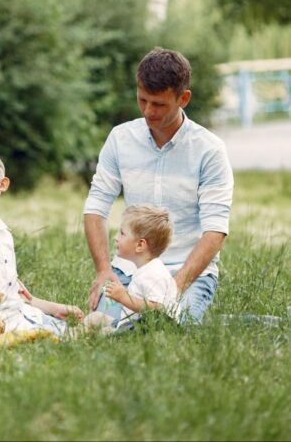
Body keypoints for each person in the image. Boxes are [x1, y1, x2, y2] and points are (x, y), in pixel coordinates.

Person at [83, 48, 234, 324]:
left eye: (159, 104)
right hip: (129, 269)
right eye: (143, 100)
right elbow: (95, 208)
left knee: (171, 326)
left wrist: (173, 287)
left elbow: (215, 230)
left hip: (185, 272)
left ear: (183, 98)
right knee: (105, 327)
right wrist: (104, 270)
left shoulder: (209, 150)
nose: (148, 111)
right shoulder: (120, 139)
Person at [0, 151, 84, 339]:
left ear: (3, 184)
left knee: (97, 324)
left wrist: (56, 308)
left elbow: (19, 296)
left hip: (22, 314)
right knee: (85, 331)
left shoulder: (3, 234)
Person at [84, 204, 180, 331]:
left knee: (103, 332)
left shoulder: (154, 275)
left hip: (140, 330)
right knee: (95, 318)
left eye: (122, 234)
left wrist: (124, 297)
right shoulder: (145, 270)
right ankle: (80, 330)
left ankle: (73, 335)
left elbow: (156, 309)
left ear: (140, 245)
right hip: (129, 324)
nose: (116, 238)